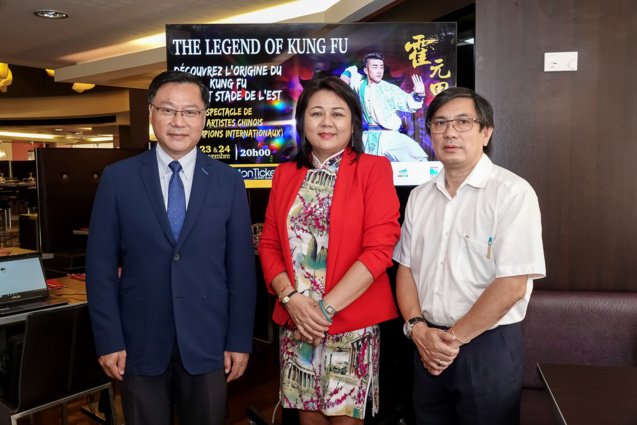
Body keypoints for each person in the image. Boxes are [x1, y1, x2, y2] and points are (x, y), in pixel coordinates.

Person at [86, 70, 257, 425]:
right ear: (151, 112)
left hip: (210, 344)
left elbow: (241, 270)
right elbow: (100, 268)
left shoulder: (228, 181)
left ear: (204, 118)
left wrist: (240, 339)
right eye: (167, 110)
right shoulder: (118, 178)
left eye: (190, 112)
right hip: (138, 343)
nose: (178, 122)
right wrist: (108, 340)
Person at [393, 87, 546, 425]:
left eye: (463, 122)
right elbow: (406, 269)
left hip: (485, 345)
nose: (450, 132)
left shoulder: (512, 193)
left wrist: (450, 341)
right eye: (440, 123)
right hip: (425, 342)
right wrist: (418, 329)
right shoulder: (419, 197)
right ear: (429, 132)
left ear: (485, 132)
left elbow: (512, 286)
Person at [258, 76, 400, 424]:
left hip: (349, 321)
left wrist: (323, 309)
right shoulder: (285, 174)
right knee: (309, 420)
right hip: (297, 320)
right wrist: (292, 300)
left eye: (337, 114)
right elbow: (269, 243)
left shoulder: (373, 169)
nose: (326, 122)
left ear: (353, 121)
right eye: (316, 113)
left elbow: (380, 249)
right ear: (302, 120)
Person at [340, 52, 428, 162]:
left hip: (389, 138)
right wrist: (345, 76)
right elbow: (351, 69)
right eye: (375, 67)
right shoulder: (360, 84)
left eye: (381, 67)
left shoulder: (389, 89)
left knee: (417, 155)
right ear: (367, 70)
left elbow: (409, 103)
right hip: (368, 137)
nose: (379, 70)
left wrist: (419, 95)